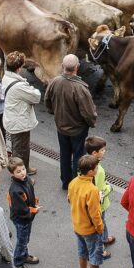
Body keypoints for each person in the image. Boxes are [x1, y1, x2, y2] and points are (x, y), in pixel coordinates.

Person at [45, 54, 96, 190]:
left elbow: (47, 101)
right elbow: (89, 113)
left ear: (63, 66)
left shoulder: (54, 81)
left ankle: (65, 182)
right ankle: (75, 185)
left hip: (61, 127)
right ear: (77, 67)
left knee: (64, 154)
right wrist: (91, 123)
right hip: (78, 130)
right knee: (79, 157)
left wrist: (54, 113)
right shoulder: (80, 88)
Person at [69, 155, 115, 268]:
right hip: (90, 230)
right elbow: (95, 214)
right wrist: (100, 228)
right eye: (96, 168)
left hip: (78, 225)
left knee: (82, 251)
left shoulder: (73, 182)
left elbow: (69, 199)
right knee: (95, 254)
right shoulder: (92, 190)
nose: (97, 169)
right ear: (90, 171)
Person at [2, 50, 40, 175]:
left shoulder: (6, 77)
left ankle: (25, 168)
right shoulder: (18, 86)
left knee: (18, 147)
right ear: (18, 68)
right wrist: (32, 88)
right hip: (19, 122)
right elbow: (36, 96)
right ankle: (19, 174)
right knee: (20, 149)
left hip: (13, 118)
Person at [7, 156, 40, 268]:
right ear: (12, 174)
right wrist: (34, 210)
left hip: (27, 217)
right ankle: (18, 263)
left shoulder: (26, 180)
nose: (22, 173)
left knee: (25, 238)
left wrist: (34, 202)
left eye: (23, 169)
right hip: (21, 219)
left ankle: (24, 255)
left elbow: (30, 194)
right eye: (18, 171)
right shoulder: (15, 190)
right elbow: (21, 210)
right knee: (22, 241)